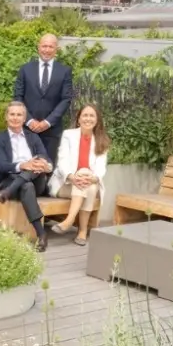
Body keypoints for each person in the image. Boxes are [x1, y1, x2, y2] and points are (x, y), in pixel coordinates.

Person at [0, 101, 54, 252]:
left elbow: (47, 159)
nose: (15, 118)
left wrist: (45, 166)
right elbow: (1, 165)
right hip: (9, 179)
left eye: (19, 115)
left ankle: (8, 192)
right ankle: (41, 234)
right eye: (12, 114)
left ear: (24, 118)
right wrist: (22, 165)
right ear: (6, 117)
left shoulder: (33, 137)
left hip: (36, 181)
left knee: (38, 162)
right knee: (26, 185)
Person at [48, 103, 110, 246]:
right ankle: (81, 230)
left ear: (97, 120)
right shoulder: (68, 135)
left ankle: (70, 222)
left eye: (92, 116)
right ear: (79, 119)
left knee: (89, 183)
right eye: (85, 115)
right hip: (65, 185)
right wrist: (72, 177)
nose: (88, 119)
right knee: (86, 181)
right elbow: (62, 160)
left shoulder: (101, 140)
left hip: (87, 183)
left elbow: (101, 167)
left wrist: (93, 178)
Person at [13, 33, 74, 164]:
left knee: (48, 167)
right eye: (44, 46)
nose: (47, 50)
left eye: (50, 47)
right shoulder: (25, 69)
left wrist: (47, 122)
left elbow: (66, 99)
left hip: (52, 131)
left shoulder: (64, 71)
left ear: (56, 49)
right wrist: (29, 120)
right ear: (38, 47)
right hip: (28, 129)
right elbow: (18, 97)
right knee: (27, 167)